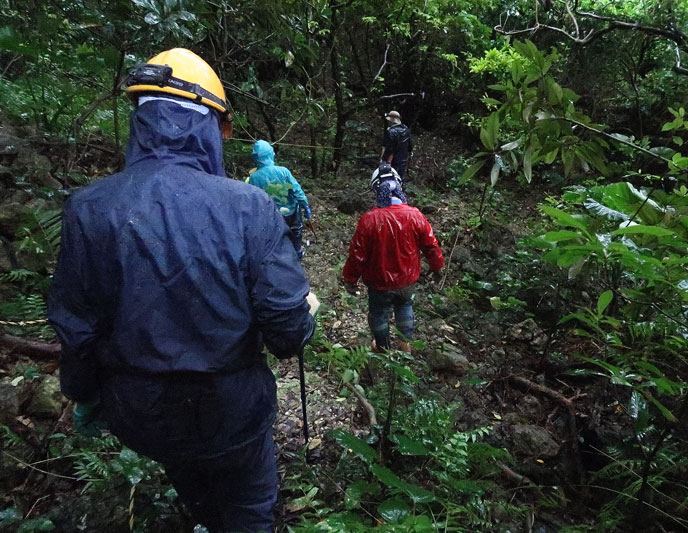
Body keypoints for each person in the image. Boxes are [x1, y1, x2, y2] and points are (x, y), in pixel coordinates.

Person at [47, 48, 318, 533]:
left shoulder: (89, 207)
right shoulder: (247, 207)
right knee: (249, 508)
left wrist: (83, 393)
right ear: (210, 125)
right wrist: (305, 315)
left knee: (192, 484)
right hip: (231, 412)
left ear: (142, 121)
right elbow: (287, 332)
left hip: (140, 414)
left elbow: (76, 323)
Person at [342, 168, 443, 352]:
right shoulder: (415, 215)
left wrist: (350, 279)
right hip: (407, 280)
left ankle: (382, 347)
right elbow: (431, 246)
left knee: (379, 313)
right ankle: (405, 345)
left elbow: (357, 254)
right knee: (405, 305)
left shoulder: (369, 219)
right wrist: (437, 267)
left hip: (379, 282)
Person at [247, 140, 311, 260]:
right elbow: (296, 191)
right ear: (270, 154)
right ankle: (297, 253)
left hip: (271, 215)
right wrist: (305, 204)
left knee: (276, 237)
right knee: (296, 231)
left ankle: (279, 258)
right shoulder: (283, 171)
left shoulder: (253, 178)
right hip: (291, 212)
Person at [381, 110, 413, 180]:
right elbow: (410, 146)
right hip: (403, 161)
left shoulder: (391, 132)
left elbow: (389, 149)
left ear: (391, 121)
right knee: (400, 180)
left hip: (392, 161)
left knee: (389, 180)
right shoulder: (406, 129)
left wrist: (383, 160)